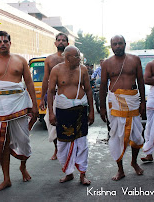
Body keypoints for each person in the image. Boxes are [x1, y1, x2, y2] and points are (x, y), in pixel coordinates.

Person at [0, 31, 38, 191]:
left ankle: (23, 167)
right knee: (2, 143)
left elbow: (29, 83)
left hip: (19, 105)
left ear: (10, 43)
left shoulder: (21, 60)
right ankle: (6, 178)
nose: (2, 43)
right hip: (0, 107)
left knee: (24, 141)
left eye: (5, 41)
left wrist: (35, 105)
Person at [99, 35, 145, 181]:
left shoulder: (135, 60)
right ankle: (120, 170)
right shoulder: (106, 63)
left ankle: (134, 162)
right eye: (114, 44)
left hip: (132, 101)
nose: (117, 46)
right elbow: (102, 86)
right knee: (117, 136)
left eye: (120, 43)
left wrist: (143, 101)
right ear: (111, 46)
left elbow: (141, 81)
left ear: (125, 44)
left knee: (137, 136)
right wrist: (101, 107)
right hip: (115, 102)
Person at [48, 46, 94, 185]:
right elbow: (50, 92)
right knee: (63, 143)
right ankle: (68, 173)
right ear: (67, 57)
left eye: (79, 55)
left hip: (80, 110)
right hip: (63, 111)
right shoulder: (56, 70)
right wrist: (51, 112)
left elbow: (89, 90)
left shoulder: (83, 69)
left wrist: (91, 111)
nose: (79, 58)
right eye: (76, 56)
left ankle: (82, 174)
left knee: (82, 143)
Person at [39, 33, 69, 160]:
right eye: (58, 40)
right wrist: (42, 99)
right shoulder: (49, 59)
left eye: (63, 40)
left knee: (69, 123)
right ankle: (57, 149)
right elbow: (46, 79)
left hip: (69, 94)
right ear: (55, 43)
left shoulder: (72, 57)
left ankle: (68, 150)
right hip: (54, 94)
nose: (61, 42)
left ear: (67, 43)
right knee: (52, 123)